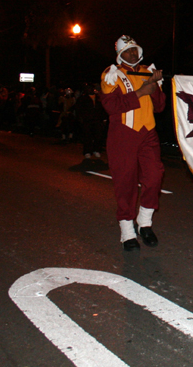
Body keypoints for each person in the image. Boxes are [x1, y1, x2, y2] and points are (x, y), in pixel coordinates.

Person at [101, 35, 166, 251]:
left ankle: (144, 223)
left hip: (148, 133)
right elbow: (111, 106)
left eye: (135, 50)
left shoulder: (148, 71)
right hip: (123, 134)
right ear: (120, 55)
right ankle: (127, 231)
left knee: (155, 176)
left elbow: (159, 107)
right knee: (125, 184)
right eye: (128, 51)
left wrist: (155, 86)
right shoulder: (112, 75)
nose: (133, 54)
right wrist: (141, 92)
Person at [76, 83, 107, 160]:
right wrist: (81, 119)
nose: (89, 90)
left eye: (90, 88)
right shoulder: (82, 98)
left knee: (98, 136)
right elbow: (79, 110)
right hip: (87, 120)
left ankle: (96, 150)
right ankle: (87, 151)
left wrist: (104, 118)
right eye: (88, 88)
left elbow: (102, 109)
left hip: (97, 120)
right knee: (87, 136)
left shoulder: (98, 98)